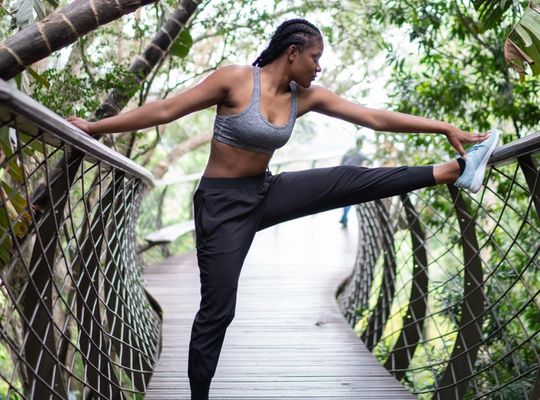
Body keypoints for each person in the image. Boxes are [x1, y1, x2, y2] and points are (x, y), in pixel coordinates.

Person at [67, 18, 500, 399]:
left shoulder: (304, 96)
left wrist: (444, 127)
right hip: (221, 206)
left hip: (265, 191)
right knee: (219, 310)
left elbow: (375, 118)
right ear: (292, 53)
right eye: (315, 57)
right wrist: (94, 128)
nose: (319, 66)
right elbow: (164, 110)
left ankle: (455, 171)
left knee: (346, 181)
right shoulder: (236, 80)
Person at [338, 137, 368, 227]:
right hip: (353, 178)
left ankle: (344, 218)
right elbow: (368, 161)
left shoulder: (349, 151)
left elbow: (342, 162)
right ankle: (344, 217)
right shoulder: (361, 154)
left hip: (343, 176)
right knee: (350, 199)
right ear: (361, 144)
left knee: (345, 198)